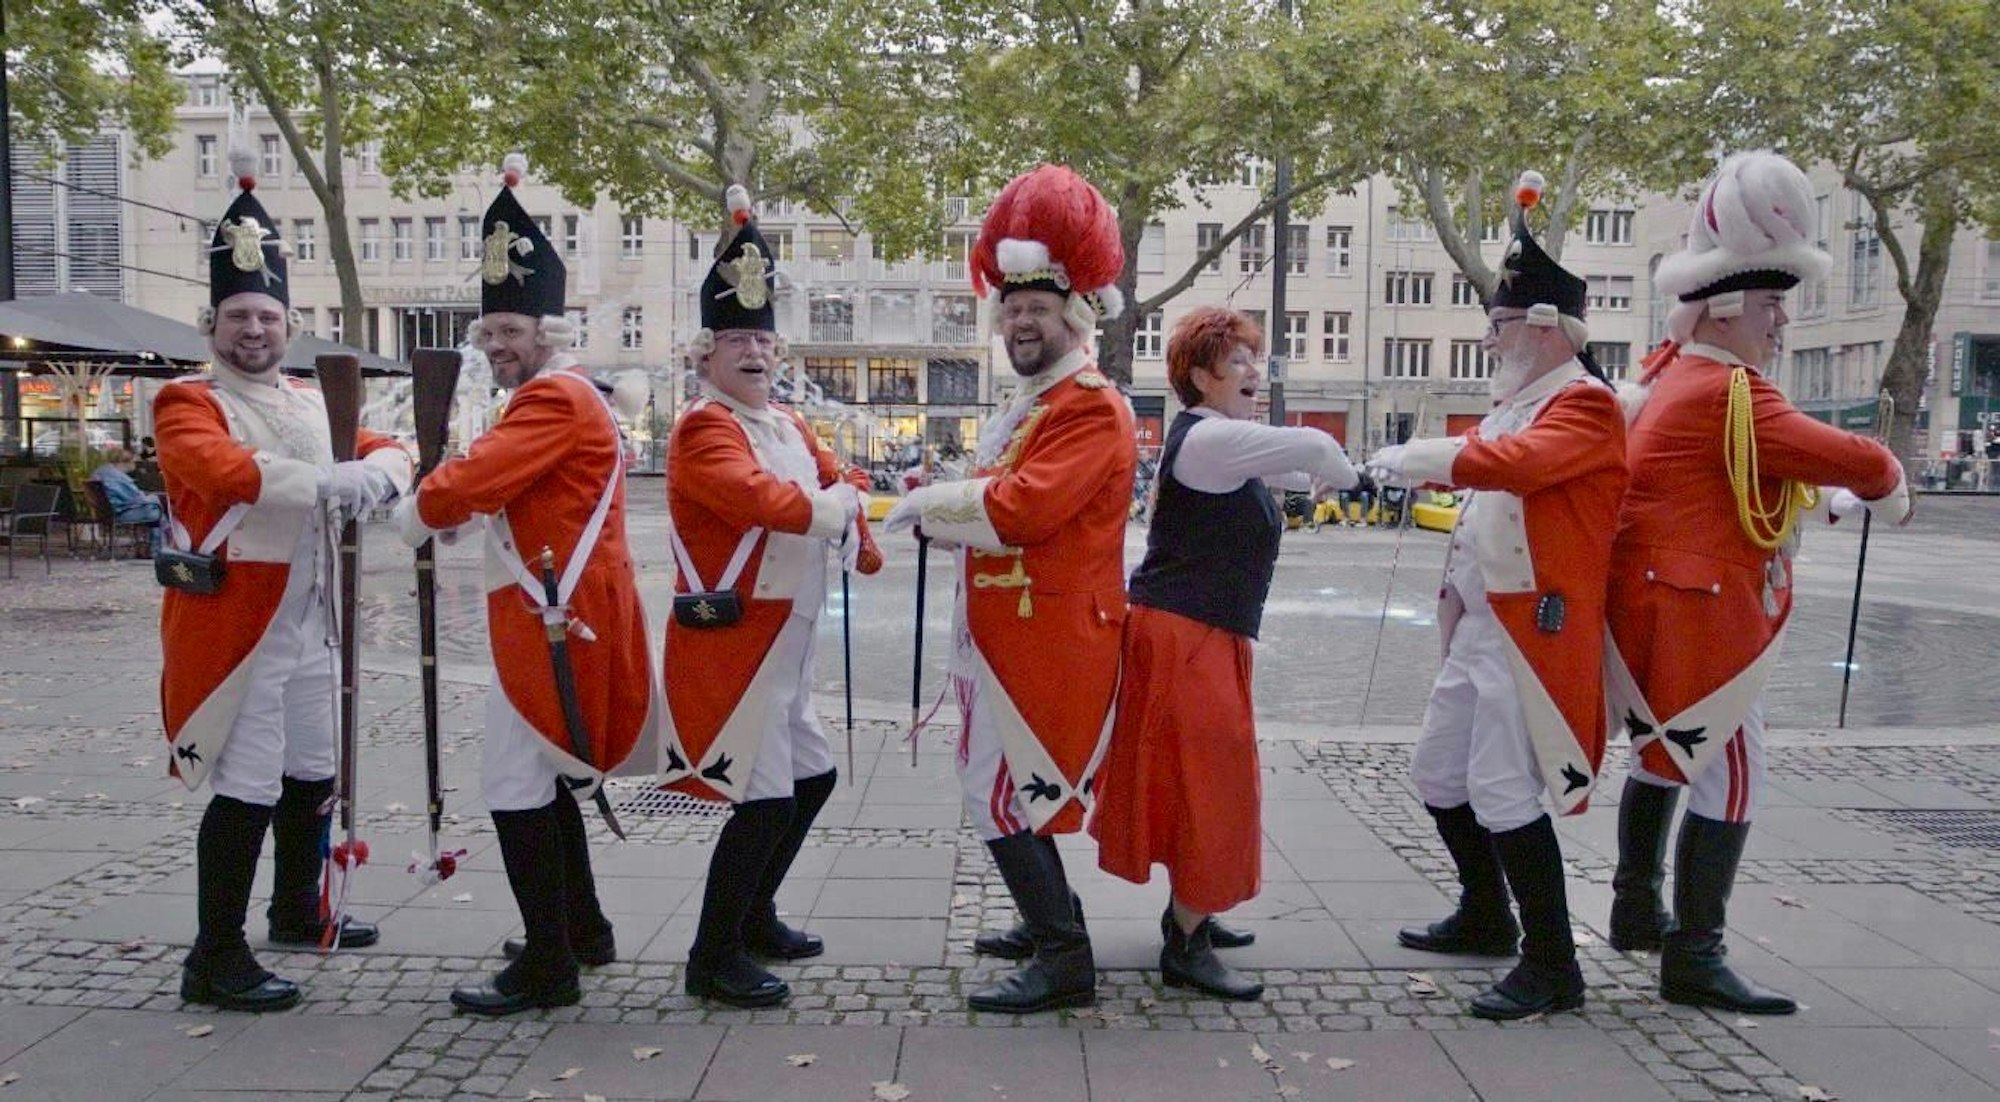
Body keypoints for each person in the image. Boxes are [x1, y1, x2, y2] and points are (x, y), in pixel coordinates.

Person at [1604, 151, 1910, 1015]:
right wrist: (1889, 492)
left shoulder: (1672, 374)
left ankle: (1636, 909)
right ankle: (1694, 956)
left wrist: (1835, 502)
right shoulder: (1730, 388)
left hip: (1663, 607)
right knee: (1732, 769)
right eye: (1773, 305)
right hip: (1705, 622)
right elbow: (1856, 455)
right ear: (1732, 306)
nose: (1781, 324)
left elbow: (1746, 486)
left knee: (1665, 759)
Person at [394, 156, 657, 1015]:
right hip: (556, 614)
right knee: (544, 778)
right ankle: (581, 929)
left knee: (514, 787)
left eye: (510, 331)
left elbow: (459, 488)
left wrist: (424, 502)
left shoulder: (552, 400)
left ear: (547, 330)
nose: (496, 347)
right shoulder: (558, 398)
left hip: (554, 623)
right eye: (489, 334)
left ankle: (549, 963)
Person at [1368, 173, 1627, 1020]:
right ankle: (1487, 917)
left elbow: (1512, 470)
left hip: (1532, 634)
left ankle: (1555, 964)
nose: (1489, 338)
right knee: (1439, 774)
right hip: (1483, 629)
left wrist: (1415, 457)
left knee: (1504, 789)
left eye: (1501, 323)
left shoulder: (1586, 406)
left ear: (1546, 328)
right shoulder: (1518, 404)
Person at [157, 166, 410, 1012]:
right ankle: (214, 954)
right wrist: (336, 482)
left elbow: (382, 443)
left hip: (314, 616)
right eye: (239, 316)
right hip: (239, 619)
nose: (255, 329)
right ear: (213, 325)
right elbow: (223, 473)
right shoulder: (186, 400)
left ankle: (297, 908)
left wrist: (381, 467)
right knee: (247, 785)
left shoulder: (306, 398)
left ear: (289, 324)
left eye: (268, 316)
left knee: (312, 770)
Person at [883, 164, 1135, 1013]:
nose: (1022, 322)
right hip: (1004, 632)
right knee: (1002, 781)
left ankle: (1065, 957)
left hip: (1047, 639)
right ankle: (1046, 924)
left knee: (997, 790)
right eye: (1013, 310)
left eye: (1038, 310)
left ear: (1074, 315)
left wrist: (929, 505)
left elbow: (1024, 510)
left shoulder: (1090, 405)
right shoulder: (1034, 401)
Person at [1091, 308, 1356, 1001]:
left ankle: (1193, 909)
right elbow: (1319, 455)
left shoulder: (1221, 444)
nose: (1253, 374)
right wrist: (1356, 470)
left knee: (1197, 780)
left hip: (1202, 633)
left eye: (1254, 359)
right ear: (1200, 375)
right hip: (1184, 636)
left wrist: (1347, 472)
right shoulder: (1210, 441)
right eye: (1236, 361)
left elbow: (1302, 477)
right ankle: (1185, 941)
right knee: (1210, 783)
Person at [655, 186, 873, 1009]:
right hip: (736, 642)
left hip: (790, 639)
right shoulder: (704, 427)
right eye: (738, 339)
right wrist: (835, 508)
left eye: (763, 340)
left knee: (809, 781)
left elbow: (838, 477)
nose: (754, 353)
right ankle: (711, 958)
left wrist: (854, 513)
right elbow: (764, 499)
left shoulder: (784, 422)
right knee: (763, 796)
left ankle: (754, 916)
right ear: (708, 353)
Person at [89, 444, 165, 551]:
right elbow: (137, 499)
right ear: (125, 462)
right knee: (158, 512)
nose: (134, 465)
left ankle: (149, 547)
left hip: (104, 513)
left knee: (153, 508)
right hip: (119, 514)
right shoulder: (119, 477)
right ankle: (157, 549)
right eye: (133, 461)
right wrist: (154, 498)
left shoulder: (99, 472)